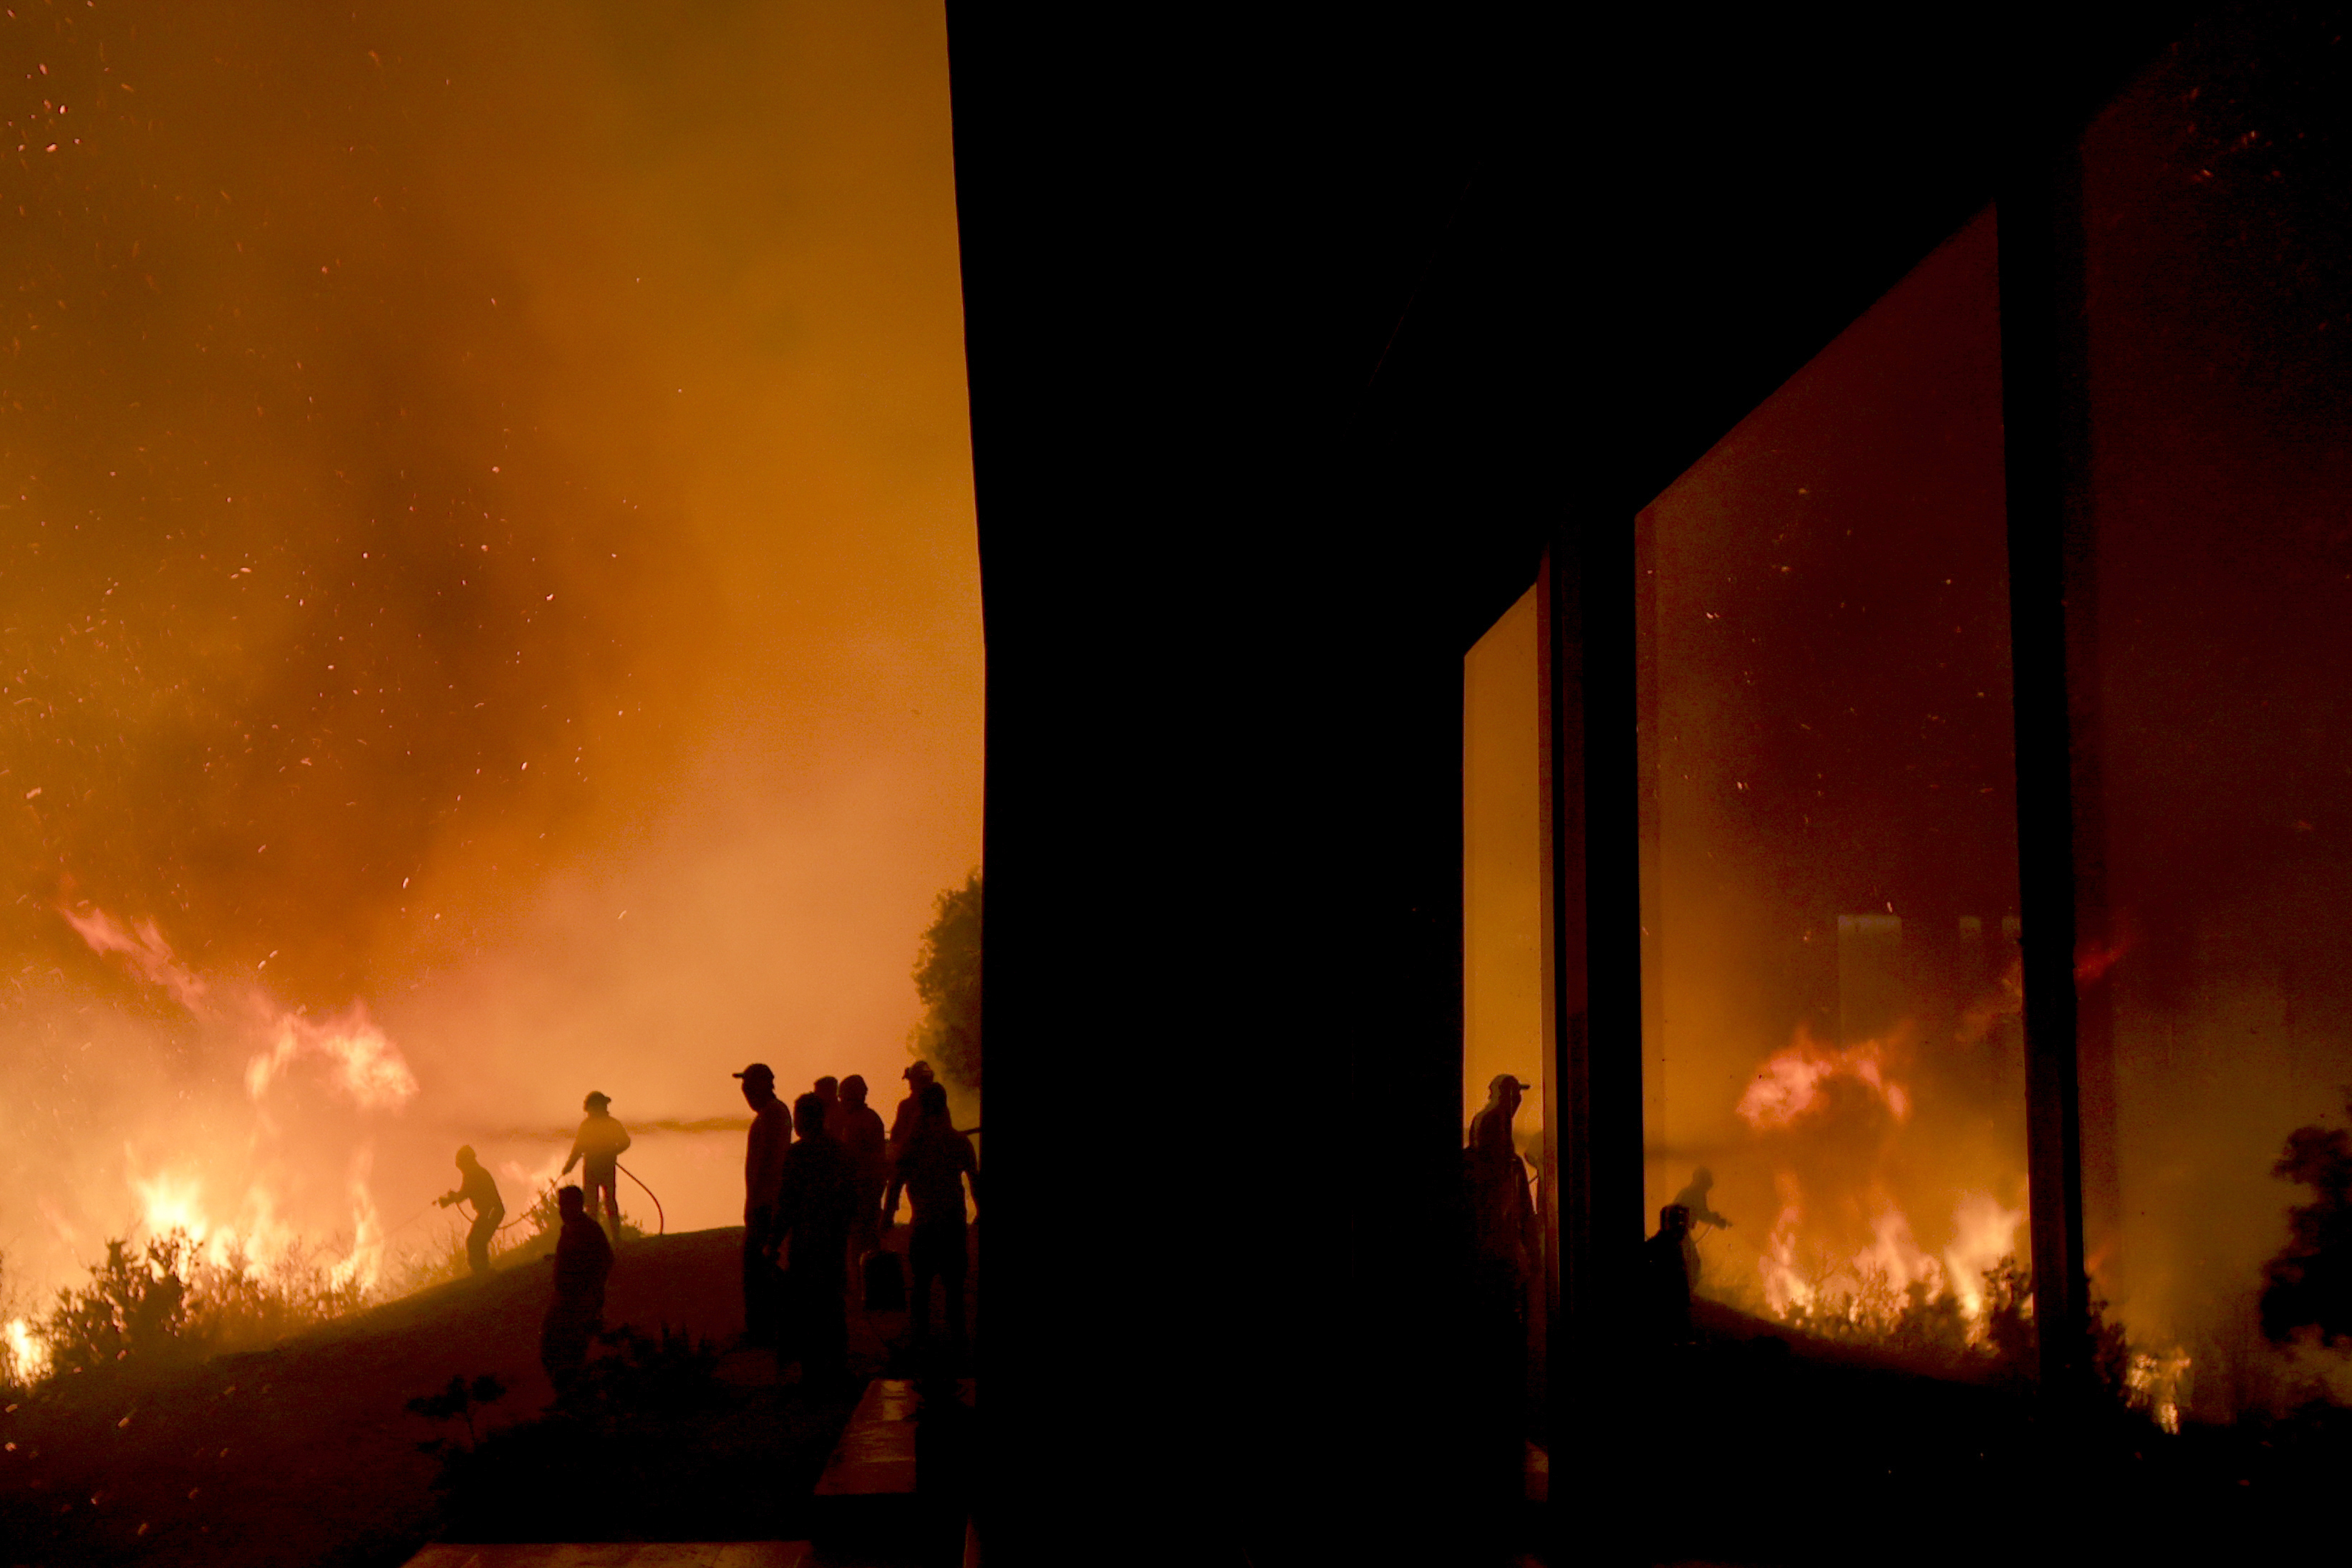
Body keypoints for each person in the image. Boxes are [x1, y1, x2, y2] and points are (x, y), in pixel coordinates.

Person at [774, 1091, 859, 1388]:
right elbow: (850, 1198)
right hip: (833, 1241)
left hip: (807, 1243)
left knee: (807, 1308)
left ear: (802, 1120)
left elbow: (787, 1204)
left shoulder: (798, 1156)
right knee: (832, 1304)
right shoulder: (839, 1152)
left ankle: (812, 1374)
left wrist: (772, 1243)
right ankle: (836, 1367)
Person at [896, 1082, 979, 1351]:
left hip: (924, 1223)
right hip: (953, 1222)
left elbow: (897, 1180)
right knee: (954, 1287)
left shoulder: (914, 1143)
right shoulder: (958, 1141)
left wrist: (887, 1216)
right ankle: (957, 1338)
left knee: (921, 1286)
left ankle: (920, 1338)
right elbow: (975, 1182)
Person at [736, 1063, 792, 1347]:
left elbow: (765, 1165)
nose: (745, 1094)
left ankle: (764, 1329)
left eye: (748, 1088)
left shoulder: (772, 1115)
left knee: (757, 1268)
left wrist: (755, 1202)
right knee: (760, 1267)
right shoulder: (773, 1114)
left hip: (766, 1204)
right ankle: (767, 1327)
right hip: (766, 1202)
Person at [540, 1184, 614, 1390]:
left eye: (565, 1205)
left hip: (578, 1305)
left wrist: (590, 1296)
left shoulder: (588, 1230)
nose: (562, 1210)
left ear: (578, 1205)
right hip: (564, 1303)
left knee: (571, 1355)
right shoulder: (569, 1230)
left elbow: (605, 1260)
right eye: (560, 1206)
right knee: (552, 1350)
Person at [561, 1090, 633, 1241]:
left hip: (598, 1167)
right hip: (597, 1167)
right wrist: (569, 1166)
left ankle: (612, 1237)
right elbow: (579, 1148)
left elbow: (625, 1142)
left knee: (606, 1202)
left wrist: (613, 1151)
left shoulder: (599, 1124)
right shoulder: (601, 1124)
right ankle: (599, 1238)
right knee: (596, 1204)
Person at [835, 1073, 889, 1268]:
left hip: (862, 1192)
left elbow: (851, 1160)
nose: (841, 1102)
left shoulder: (858, 1121)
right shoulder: (870, 1118)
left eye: (843, 1098)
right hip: (870, 1190)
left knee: (860, 1246)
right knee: (868, 1244)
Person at [436, 1145, 504, 1279]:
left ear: (467, 1161)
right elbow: (464, 1193)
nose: (461, 1168)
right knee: (477, 1240)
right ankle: (482, 1271)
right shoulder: (473, 1173)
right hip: (491, 1211)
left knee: (475, 1240)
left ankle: (482, 1272)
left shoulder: (475, 1174)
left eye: (461, 1164)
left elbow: (464, 1193)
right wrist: (451, 1198)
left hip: (492, 1211)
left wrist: (450, 1199)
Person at [883, 1060, 937, 1225]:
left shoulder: (907, 1105)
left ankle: (887, 1219)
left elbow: (897, 1134)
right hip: (930, 1156)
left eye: (911, 1080)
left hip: (912, 1157)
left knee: (894, 1185)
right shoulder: (938, 1104)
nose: (910, 1084)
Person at [1644, 1203, 1697, 1345]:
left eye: (1685, 1223)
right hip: (1666, 1316)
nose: (1685, 1228)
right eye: (1681, 1223)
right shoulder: (1660, 1247)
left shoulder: (1672, 1246)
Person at [1673, 1167, 1733, 1233]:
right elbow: (1703, 1215)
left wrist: (1716, 1219)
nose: (1706, 1190)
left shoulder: (1687, 1192)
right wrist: (1716, 1220)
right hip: (1679, 1233)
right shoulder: (1695, 1194)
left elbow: (1702, 1214)